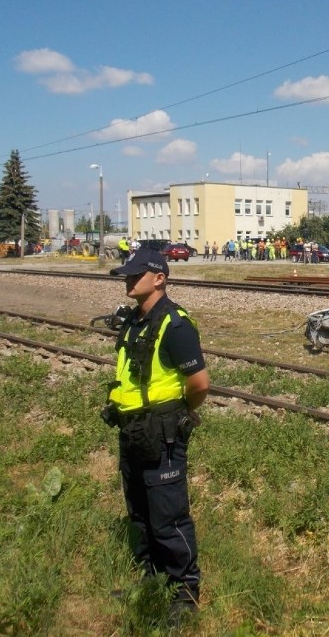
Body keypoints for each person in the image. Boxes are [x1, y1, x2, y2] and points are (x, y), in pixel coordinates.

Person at [102, 247, 209, 622]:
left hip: (163, 432)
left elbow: (198, 383)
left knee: (168, 516)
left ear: (159, 278)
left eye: (136, 275)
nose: (128, 281)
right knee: (140, 513)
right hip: (132, 431)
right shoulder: (134, 321)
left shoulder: (175, 325)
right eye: (127, 275)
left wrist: (181, 415)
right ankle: (150, 580)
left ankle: (184, 592)